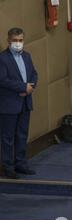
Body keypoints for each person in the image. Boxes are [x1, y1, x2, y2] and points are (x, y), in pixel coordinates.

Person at [0, 28, 38, 179]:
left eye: (20, 40)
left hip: (25, 102)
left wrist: (30, 87)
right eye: (15, 40)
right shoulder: (2, 59)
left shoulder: (27, 56)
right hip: (9, 104)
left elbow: (34, 74)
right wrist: (23, 87)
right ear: (9, 41)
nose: (18, 43)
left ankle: (20, 164)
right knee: (7, 137)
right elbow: (2, 80)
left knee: (22, 135)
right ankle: (8, 167)